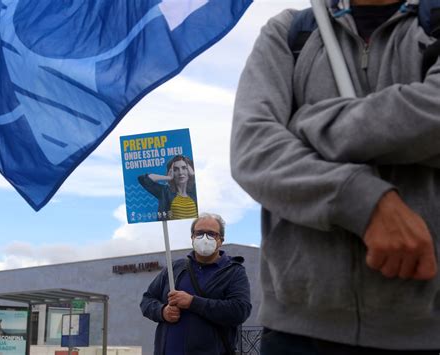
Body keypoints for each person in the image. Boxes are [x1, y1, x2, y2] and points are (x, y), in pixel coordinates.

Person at [231, 0, 440, 354]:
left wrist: (307, 123)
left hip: (424, 332)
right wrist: (362, 201)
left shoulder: (433, 24)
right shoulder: (289, 32)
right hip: (294, 333)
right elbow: (254, 149)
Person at [140, 213, 252, 355]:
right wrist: (162, 311)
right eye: (199, 233)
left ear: (220, 240)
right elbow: (147, 300)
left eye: (211, 234)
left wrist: (193, 302)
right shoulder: (175, 268)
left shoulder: (233, 272)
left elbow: (240, 311)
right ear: (192, 238)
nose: (205, 238)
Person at [138, 155, 198, 220]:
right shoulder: (165, 191)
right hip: (174, 228)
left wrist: (193, 175)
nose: (180, 172)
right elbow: (143, 179)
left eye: (184, 168)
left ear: (189, 170)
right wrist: (168, 177)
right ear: (171, 172)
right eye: (175, 169)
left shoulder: (195, 190)